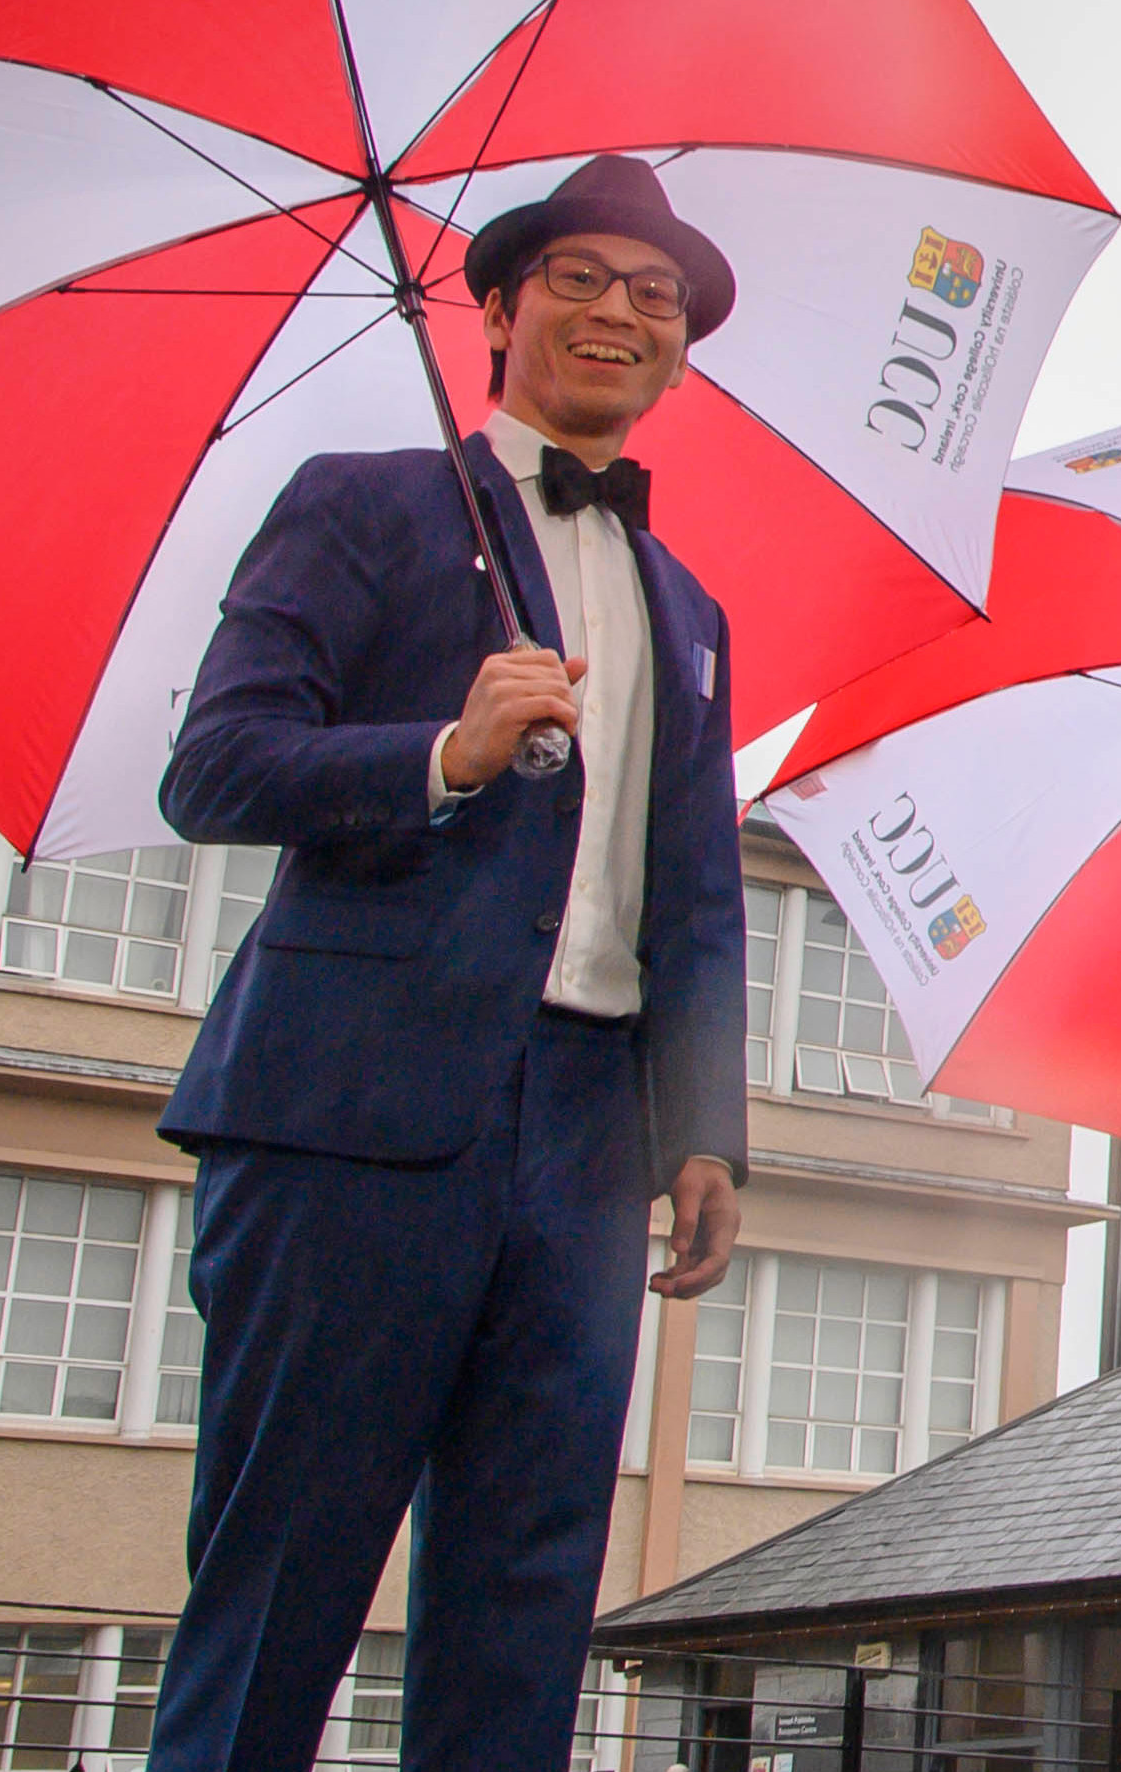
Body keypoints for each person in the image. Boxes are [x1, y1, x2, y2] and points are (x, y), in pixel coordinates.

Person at [146, 153, 749, 1772]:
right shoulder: (366, 503)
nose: (623, 310)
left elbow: (693, 891)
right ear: (490, 307)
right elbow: (215, 766)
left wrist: (701, 1128)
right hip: (348, 1116)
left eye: (658, 294)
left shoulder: (688, 606)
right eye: (583, 278)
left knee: (527, 1594)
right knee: (284, 1568)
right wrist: (446, 753)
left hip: (583, 1139)